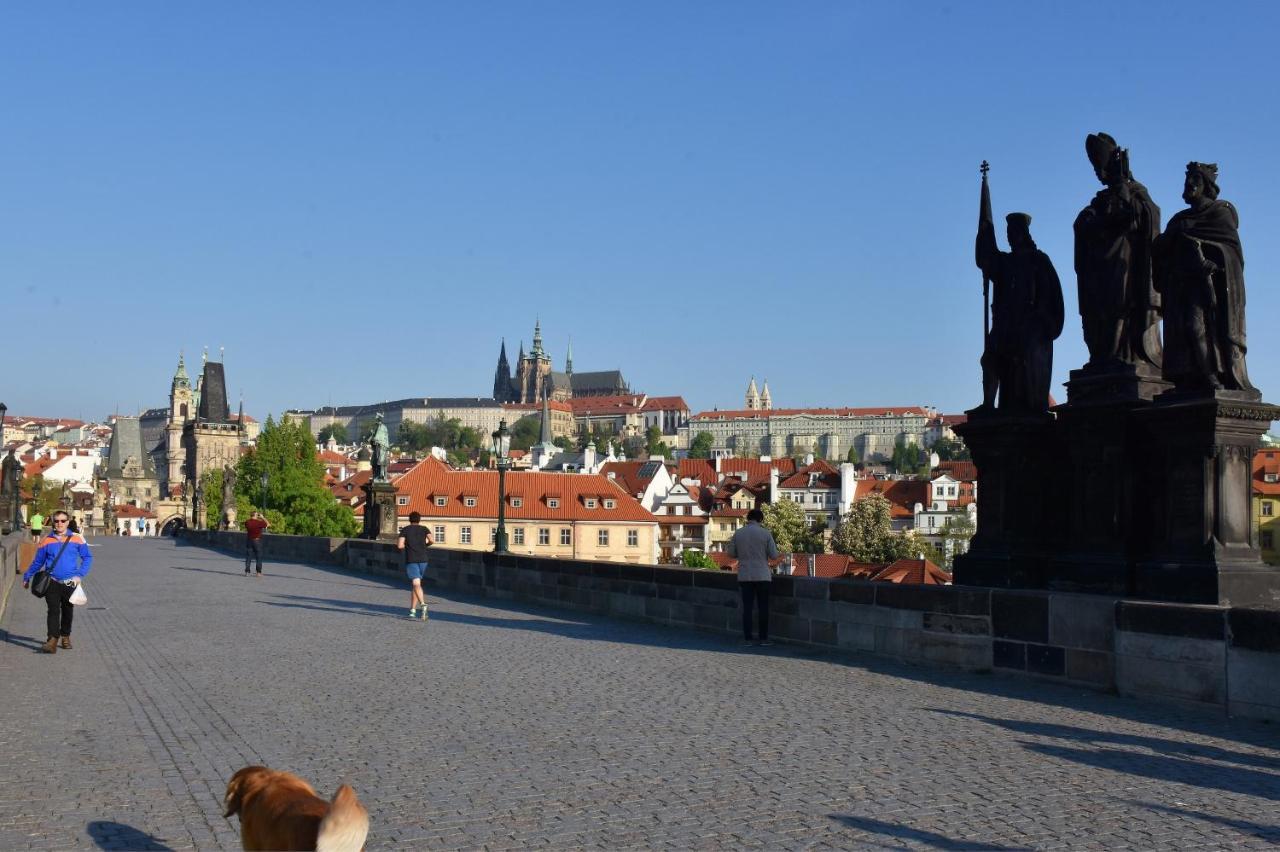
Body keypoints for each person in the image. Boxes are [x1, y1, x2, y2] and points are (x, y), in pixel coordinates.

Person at [1153, 161, 1255, 395]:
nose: (1189, 184)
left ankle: (1212, 377)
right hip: (1179, 285)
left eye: (1195, 181)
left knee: (1196, 327)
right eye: (1187, 180)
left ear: (1207, 186)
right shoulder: (1178, 220)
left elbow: (1231, 252)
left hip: (1207, 287)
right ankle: (1189, 379)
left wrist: (1210, 259)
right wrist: (1175, 238)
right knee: (1181, 331)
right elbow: (1159, 248)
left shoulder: (1219, 213)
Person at [1073, 132, 1163, 370]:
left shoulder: (1135, 191)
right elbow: (1083, 223)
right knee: (1097, 310)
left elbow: (1147, 216)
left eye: (1099, 167)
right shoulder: (1099, 201)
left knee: (1119, 306)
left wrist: (1123, 189)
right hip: (1098, 266)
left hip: (1124, 262)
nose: (1097, 173)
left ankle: (1118, 355)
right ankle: (1102, 356)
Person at [976, 211, 1065, 412]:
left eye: (1013, 232)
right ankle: (988, 404)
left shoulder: (1039, 260)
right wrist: (985, 229)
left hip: (1029, 327)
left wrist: (1037, 321)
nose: (1009, 237)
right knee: (989, 359)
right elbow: (987, 260)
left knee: (1022, 366)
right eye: (1008, 232)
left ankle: (1028, 407)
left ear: (1023, 233)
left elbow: (1050, 298)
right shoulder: (1006, 262)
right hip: (1006, 325)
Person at [22, 511, 93, 654]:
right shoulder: (46, 540)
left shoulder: (77, 538)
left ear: (67, 522)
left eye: (62, 520)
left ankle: (65, 636)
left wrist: (79, 575)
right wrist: (27, 576)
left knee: (67, 610)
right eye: (56, 521)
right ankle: (52, 640)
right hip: (52, 581)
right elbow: (38, 562)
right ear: (53, 522)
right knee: (53, 611)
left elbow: (87, 557)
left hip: (70, 581)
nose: (59, 523)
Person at [727, 508, 783, 646]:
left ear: (748, 519)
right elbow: (774, 555)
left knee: (747, 609)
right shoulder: (765, 533)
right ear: (761, 519)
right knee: (763, 608)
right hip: (763, 575)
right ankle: (763, 639)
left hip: (745, 575)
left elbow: (731, 554)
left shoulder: (739, 533)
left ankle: (747, 639)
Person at [397, 511, 433, 620]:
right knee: (416, 585)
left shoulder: (405, 530)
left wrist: (407, 547)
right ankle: (412, 610)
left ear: (409, 519)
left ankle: (423, 604)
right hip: (423, 560)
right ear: (419, 519)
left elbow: (399, 545)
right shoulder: (424, 528)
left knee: (416, 584)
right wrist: (425, 545)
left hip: (412, 559)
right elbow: (432, 540)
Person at [244, 511, 270, 577]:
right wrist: (263, 517)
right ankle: (258, 572)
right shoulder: (259, 523)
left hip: (249, 541)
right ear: (256, 515)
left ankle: (247, 572)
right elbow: (268, 524)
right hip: (257, 541)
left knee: (248, 556)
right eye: (257, 515)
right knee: (258, 556)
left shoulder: (247, 522)